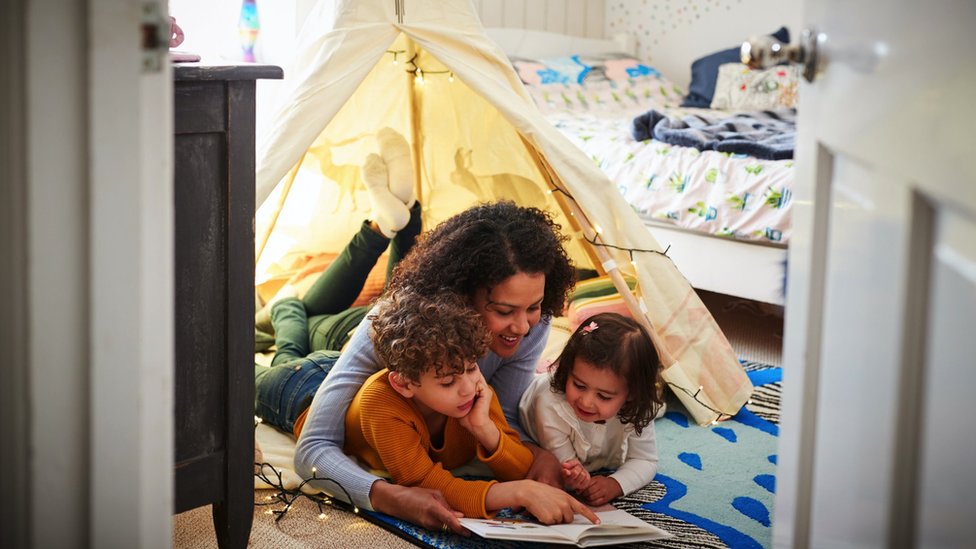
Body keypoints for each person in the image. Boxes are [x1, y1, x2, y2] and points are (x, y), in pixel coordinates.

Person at [294, 200, 577, 534]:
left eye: (534, 306)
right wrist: (388, 496)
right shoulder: (383, 326)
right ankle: (290, 310)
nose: (524, 327)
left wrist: (536, 453)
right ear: (459, 295)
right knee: (293, 337)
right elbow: (312, 449)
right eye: (503, 311)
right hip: (309, 378)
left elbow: (504, 417)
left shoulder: (532, 325)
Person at [343, 289, 599, 526]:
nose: (468, 386)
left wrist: (484, 428)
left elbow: (522, 467)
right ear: (404, 384)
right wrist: (519, 492)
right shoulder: (381, 403)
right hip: (308, 383)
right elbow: (422, 483)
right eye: (447, 382)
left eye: (471, 367)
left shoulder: (475, 391)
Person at [254, 128, 422, 437]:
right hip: (367, 330)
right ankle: (385, 224)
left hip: (362, 326)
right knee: (291, 309)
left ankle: (399, 219)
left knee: (404, 291)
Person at [518, 312, 664, 507]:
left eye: (603, 396)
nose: (586, 402)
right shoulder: (549, 403)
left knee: (655, 408)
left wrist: (616, 483)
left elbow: (646, 460)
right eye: (579, 385)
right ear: (568, 370)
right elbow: (565, 469)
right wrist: (574, 475)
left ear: (632, 393)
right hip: (532, 412)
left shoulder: (639, 407)